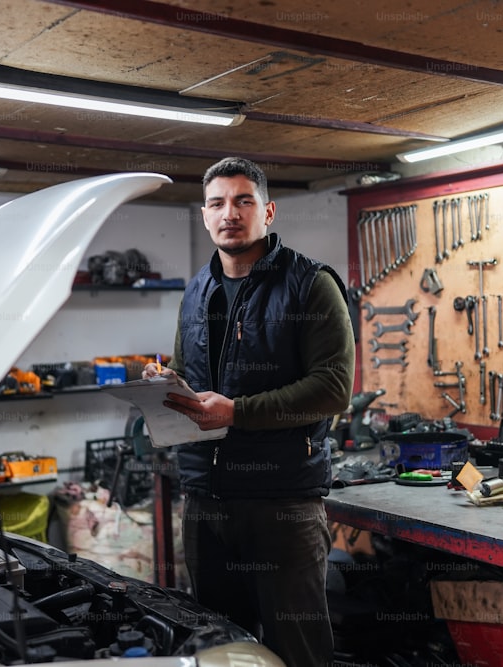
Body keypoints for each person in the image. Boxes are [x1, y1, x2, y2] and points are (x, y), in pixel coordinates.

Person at [142, 157, 355, 666]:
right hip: (206, 502)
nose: (229, 213)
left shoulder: (309, 285)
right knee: (221, 650)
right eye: (217, 203)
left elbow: (333, 387)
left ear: (268, 211)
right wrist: (164, 382)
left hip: (280, 503)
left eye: (244, 201)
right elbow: (185, 368)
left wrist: (236, 412)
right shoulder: (196, 289)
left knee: (298, 651)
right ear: (204, 215)